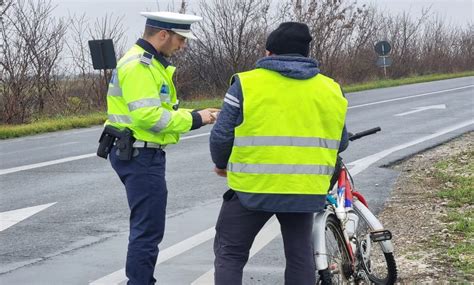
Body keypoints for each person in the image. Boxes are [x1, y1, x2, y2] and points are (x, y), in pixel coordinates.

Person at [210, 22, 349, 285]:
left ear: (268, 52)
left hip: (251, 190)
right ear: (307, 53)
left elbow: (221, 135)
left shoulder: (246, 83)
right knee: (300, 256)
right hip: (303, 191)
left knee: (230, 254)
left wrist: (221, 163)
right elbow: (340, 142)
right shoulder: (331, 88)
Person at [104, 11, 217, 285]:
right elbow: (149, 116)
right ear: (163, 35)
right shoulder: (140, 66)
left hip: (140, 152)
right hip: (140, 154)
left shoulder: (151, 65)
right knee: (148, 230)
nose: (183, 45)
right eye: (181, 39)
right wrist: (195, 119)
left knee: (148, 228)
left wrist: (198, 112)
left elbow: (163, 109)